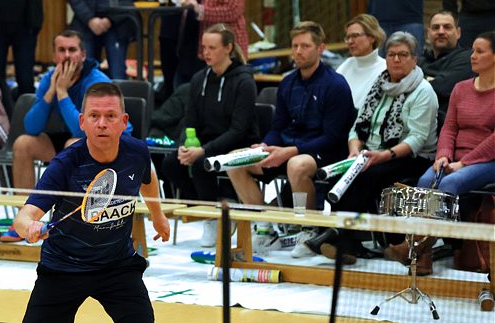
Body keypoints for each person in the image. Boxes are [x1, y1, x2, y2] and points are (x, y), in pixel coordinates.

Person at [0, 82, 170, 323]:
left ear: (124, 122)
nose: (102, 123)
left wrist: (158, 215)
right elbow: (24, 214)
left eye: (110, 116)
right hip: (64, 268)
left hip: (117, 266)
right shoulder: (66, 164)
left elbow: (147, 179)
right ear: (82, 122)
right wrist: (29, 227)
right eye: (94, 116)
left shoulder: (137, 152)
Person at [326, 32, 438, 267]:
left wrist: (382, 156)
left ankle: (337, 238)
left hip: (411, 156)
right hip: (372, 151)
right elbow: (357, 126)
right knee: (338, 171)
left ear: (414, 59)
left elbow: (417, 139)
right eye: (392, 54)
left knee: (369, 175)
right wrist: (355, 148)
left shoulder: (423, 91)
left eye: (403, 55)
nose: (396, 59)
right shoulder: (379, 84)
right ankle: (348, 244)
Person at [226, 22, 354, 212]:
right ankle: (265, 223)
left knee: (296, 165)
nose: (298, 51)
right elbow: (278, 128)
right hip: (289, 149)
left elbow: (333, 138)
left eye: (305, 46)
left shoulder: (336, 84)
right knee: (234, 160)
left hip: (325, 153)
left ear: (321, 49)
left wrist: (291, 151)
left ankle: (307, 228)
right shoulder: (287, 83)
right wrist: (265, 145)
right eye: (295, 46)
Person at [404, 32, 495, 270]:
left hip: (487, 160)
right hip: (454, 158)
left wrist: (464, 163)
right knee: (425, 181)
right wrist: (443, 154)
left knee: (449, 184)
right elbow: (449, 127)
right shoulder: (461, 88)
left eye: (479, 51)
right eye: (473, 50)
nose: (472, 56)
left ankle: (420, 249)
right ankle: (424, 253)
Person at [161, 24, 258, 246]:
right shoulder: (198, 79)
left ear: (228, 48)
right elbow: (190, 121)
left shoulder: (244, 81)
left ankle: (217, 214)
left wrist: (203, 150)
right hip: (206, 142)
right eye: (204, 47)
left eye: (212, 47)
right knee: (171, 163)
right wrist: (185, 146)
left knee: (202, 164)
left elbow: (239, 129)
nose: (206, 53)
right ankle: (209, 208)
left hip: (238, 144)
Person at [12, 30, 127, 192]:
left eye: (72, 50)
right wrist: (52, 90)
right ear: (54, 56)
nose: (67, 55)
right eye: (61, 50)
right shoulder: (51, 78)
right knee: (23, 144)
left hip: (112, 140)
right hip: (75, 139)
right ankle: (25, 214)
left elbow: (83, 130)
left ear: (83, 55)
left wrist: (62, 93)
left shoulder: (98, 82)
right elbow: (31, 127)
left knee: (73, 146)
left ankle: (73, 214)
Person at [418, 11, 474, 129]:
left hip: (446, 128)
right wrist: (432, 81)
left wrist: (419, 80)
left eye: (447, 27)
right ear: (428, 33)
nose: (441, 32)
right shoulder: (419, 61)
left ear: (458, 33)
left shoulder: (467, 58)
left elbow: (443, 87)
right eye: (435, 27)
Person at [336, 14, 387, 109]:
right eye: (348, 37)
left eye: (355, 36)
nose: (350, 41)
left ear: (372, 37)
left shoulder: (385, 69)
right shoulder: (346, 65)